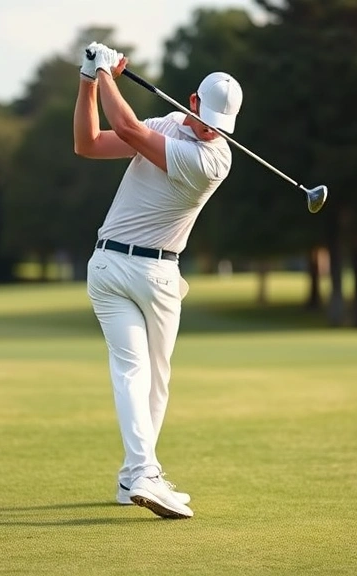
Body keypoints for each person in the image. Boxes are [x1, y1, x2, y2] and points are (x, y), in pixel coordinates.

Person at [73, 42, 242, 519]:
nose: (211, 130)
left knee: (156, 380)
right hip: (111, 267)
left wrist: (104, 73)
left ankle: (134, 478)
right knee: (133, 369)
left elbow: (125, 126)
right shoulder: (164, 125)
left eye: (219, 126)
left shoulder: (214, 162)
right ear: (191, 102)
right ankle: (144, 471)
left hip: (161, 273)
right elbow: (88, 143)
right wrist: (89, 80)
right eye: (206, 117)